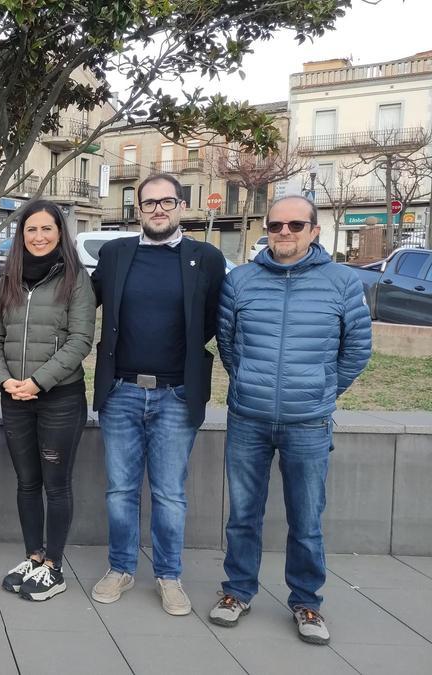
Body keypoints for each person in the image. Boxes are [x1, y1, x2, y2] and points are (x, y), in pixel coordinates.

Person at [210, 196, 371, 645]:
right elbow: (228, 344)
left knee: (306, 518)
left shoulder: (342, 282)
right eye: (276, 225)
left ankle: (306, 602)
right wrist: (249, 383)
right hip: (248, 419)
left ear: (314, 231)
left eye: (295, 225)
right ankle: (237, 591)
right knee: (243, 514)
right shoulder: (239, 281)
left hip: (308, 424)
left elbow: (357, 349)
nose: (285, 232)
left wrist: (321, 390)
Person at [89, 173, 226, 615]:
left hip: (175, 394)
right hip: (121, 392)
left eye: (167, 202)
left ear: (181, 207)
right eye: (149, 204)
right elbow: (81, 304)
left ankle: (169, 576)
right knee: (120, 490)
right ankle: (121, 568)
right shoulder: (113, 254)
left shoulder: (205, 258)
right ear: (139, 210)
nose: (158, 210)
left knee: (169, 493)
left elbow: (211, 319)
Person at [0, 201, 95, 600]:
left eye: (47, 229)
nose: (39, 236)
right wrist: (4, 381)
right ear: (21, 235)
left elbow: (80, 340)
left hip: (59, 398)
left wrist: (38, 381)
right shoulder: (9, 280)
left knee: (55, 484)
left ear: (60, 233)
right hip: (15, 397)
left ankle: (54, 567)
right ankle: (33, 557)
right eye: (31, 229)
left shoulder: (76, 278)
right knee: (27, 482)